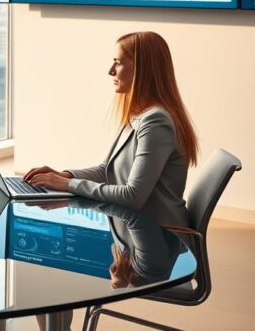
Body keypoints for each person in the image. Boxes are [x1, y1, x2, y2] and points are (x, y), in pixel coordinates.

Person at [23, 31, 199, 227]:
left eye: (118, 62)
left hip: (158, 234)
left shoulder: (156, 121)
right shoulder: (139, 114)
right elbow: (108, 171)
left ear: (142, 69)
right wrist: (65, 176)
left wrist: (67, 185)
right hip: (135, 228)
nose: (111, 71)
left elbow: (133, 196)